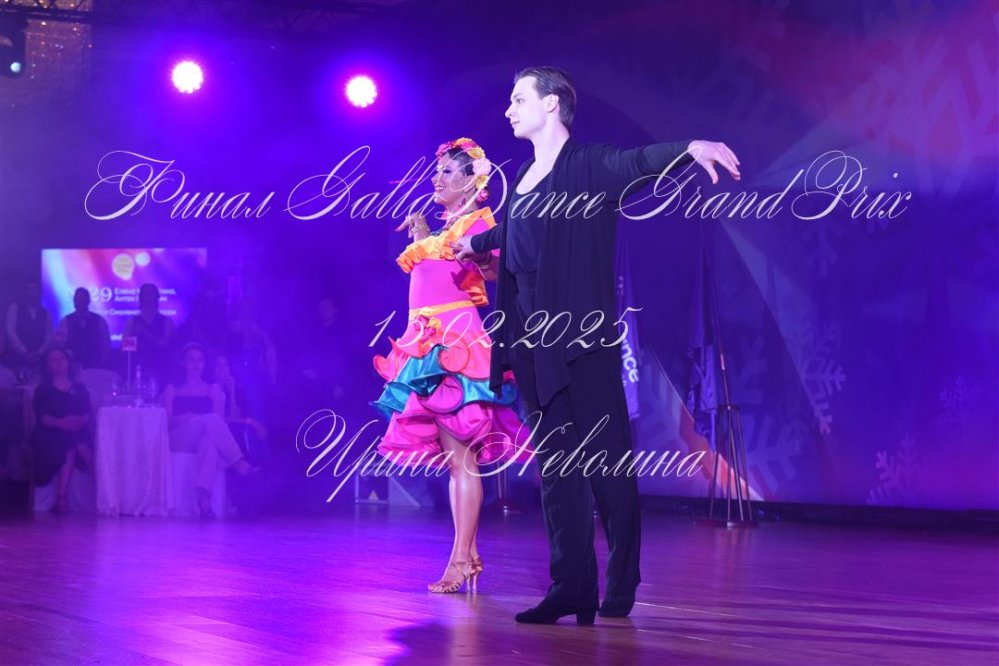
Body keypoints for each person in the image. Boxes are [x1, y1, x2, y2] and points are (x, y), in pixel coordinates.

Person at [454, 66, 741, 624]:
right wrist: (473, 242)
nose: (509, 110)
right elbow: (513, 230)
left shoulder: (587, 166)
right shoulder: (525, 175)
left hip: (579, 340)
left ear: (552, 104)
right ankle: (572, 586)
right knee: (558, 468)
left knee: (606, 465)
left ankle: (622, 579)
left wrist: (689, 149)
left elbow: (635, 164)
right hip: (532, 342)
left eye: (519, 99)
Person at [372, 137, 530, 594]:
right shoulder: (445, 228)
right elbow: (434, 271)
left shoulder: (480, 222)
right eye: (436, 171)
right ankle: (468, 555)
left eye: (446, 172)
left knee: (462, 459)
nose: (436, 179)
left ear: (472, 181)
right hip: (427, 344)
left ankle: (461, 560)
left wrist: (474, 251)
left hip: (455, 345)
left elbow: (497, 271)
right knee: (456, 459)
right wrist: (424, 237)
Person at [163, 343, 258, 518]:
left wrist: (197, 415)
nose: (195, 364)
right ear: (183, 363)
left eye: (200, 360)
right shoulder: (173, 389)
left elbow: (219, 426)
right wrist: (192, 417)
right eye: (191, 359)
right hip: (178, 438)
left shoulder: (212, 389)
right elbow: (167, 422)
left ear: (205, 363)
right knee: (209, 419)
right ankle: (238, 462)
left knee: (209, 443)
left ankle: (204, 499)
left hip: (201, 437)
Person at [30, 347, 94, 512]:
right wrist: (60, 423)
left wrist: (80, 420)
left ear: (68, 362)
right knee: (70, 443)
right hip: (49, 432)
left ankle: (100, 490)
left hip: (77, 429)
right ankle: (62, 498)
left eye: (61, 358)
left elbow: (88, 412)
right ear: (47, 365)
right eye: (53, 360)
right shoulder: (43, 389)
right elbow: (42, 416)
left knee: (82, 444)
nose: (58, 362)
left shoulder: (79, 388)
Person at [123, 283, 175, 387]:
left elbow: (167, 345)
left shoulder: (166, 321)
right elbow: (126, 349)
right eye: (145, 293)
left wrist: (145, 333)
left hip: (161, 369)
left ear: (157, 297)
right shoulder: (132, 322)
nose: (148, 297)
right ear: (140, 297)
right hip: (138, 369)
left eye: (151, 293)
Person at [53, 288, 111, 369]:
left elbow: (105, 344)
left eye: (81, 299)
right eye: (76, 299)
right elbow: (59, 344)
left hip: (94, 366)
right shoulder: (65, 321)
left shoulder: (99, 321)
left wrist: (101, 362)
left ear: (88, 301)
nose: (77, 302)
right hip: (72, 366)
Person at [5, 280, 53, 374]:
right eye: (30, 289)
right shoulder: (14, 307)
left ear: (39, 293)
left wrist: (39, 353)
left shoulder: (45, 312)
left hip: (39, 360)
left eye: (35, 290)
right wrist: (24, 352)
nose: (32, 293)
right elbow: (10, 332)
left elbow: (49, 336)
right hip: (18, 358)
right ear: (24, 291)